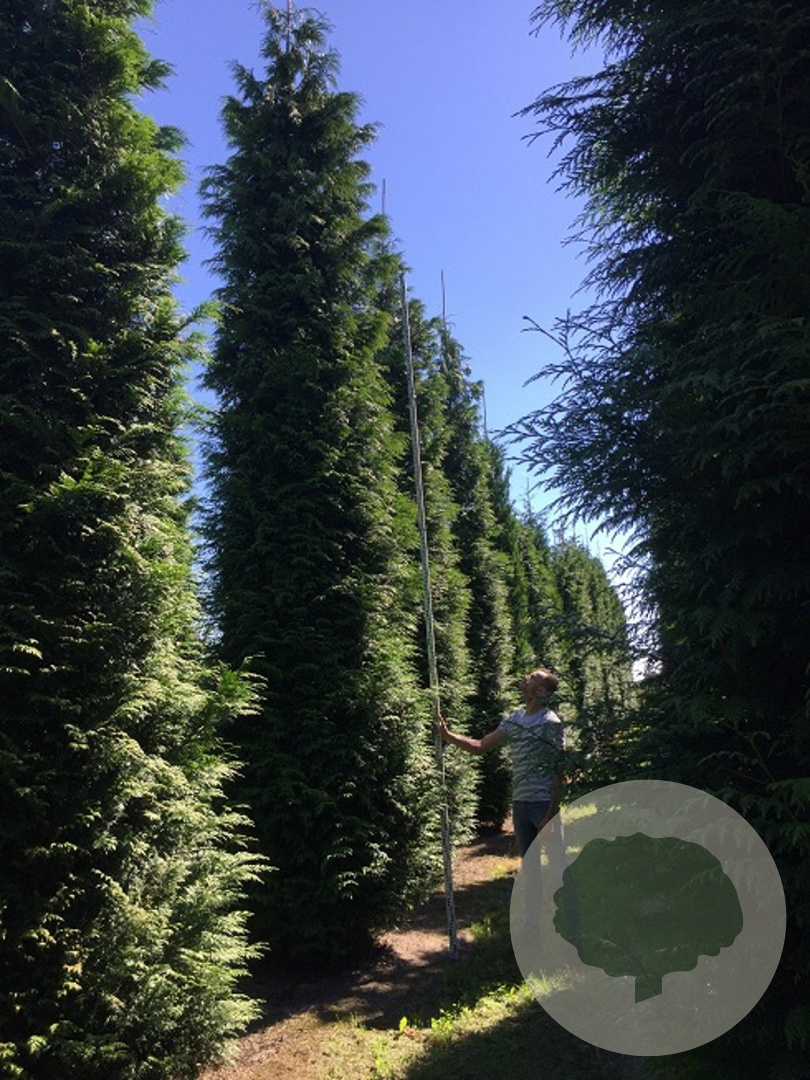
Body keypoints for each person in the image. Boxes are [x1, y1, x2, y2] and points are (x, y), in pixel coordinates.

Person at [439, 667, 565, 859]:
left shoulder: (550, 723)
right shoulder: (515, 720)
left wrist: (550, 816)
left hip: (543, 804)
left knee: (558, 866)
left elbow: (560, 769)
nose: (526, 677)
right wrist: (447, 735)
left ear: (540, 691)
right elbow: (481, 746)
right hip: (520, 804)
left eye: (532, 677)